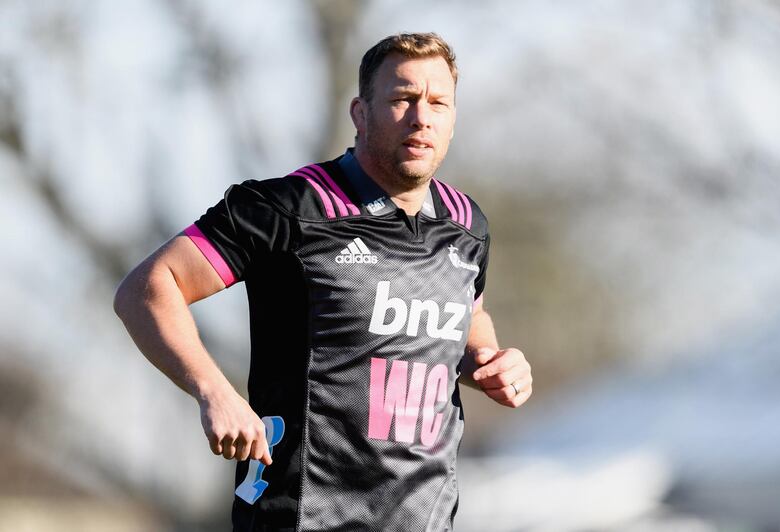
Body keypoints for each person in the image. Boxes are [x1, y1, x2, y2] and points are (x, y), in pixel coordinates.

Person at [114, 32, 532, 531]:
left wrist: (490, 360)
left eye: (438, 103)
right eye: (402, 99)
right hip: (303, 516)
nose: (422, 118)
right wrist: (214, 391)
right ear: (360, 113)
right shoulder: (288, 208)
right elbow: (148, 289)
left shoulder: (466, 225)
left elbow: (469, 314)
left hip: (424, 520)